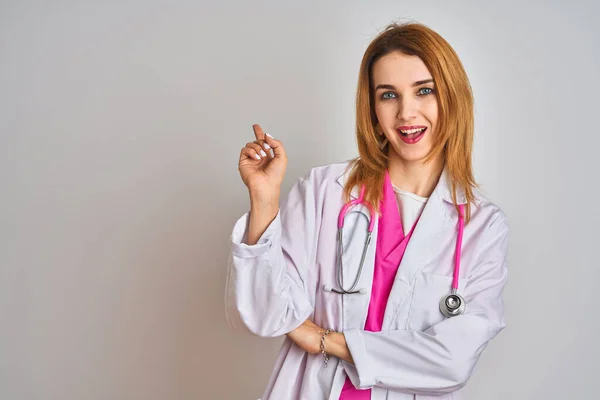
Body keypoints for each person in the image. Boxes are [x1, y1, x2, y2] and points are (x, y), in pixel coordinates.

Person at [225, 21, 509, 400]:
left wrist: (327, 340)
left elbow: (451, 362)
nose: (406, 112)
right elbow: (265, 315)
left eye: (424, 91)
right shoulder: (326, 191)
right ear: (373, 108)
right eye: (388, 95)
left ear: (451, 97)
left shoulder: (481, 227)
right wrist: (264, 199)